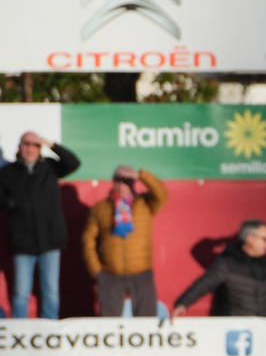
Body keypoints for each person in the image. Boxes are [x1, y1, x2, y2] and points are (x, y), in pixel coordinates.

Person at [0, 132, 80, 319]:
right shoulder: (8, 172)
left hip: (50, 241)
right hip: (22, 242)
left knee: (50, 292)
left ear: (40, 148)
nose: (30, 148)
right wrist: (12, 203)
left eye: (34, 145)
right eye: (26, 144)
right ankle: (20, 333)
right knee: (21, 293)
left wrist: (50, 143)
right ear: (19, 147)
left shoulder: (50, 168)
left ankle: (48, 333)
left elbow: (73, 162)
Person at [171, 220, 266, 318]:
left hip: (261, 331)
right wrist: (183, 303)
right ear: (250, 238)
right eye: (265, 239)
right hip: (232, 332)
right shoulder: (227, 262)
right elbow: (204, 284)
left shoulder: (265, 264)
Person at [81, 165, 168, 317]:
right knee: (110, 323)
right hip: (110, 274)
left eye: (126, 181)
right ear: (113, 182)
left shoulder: (144, 204)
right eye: (118, 180)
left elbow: (162, 194)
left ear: (133, 183)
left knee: (146, 322)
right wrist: (97, 270)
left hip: (141, 271)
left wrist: (141, 175)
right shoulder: (100, 208)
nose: (122, 185)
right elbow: (88, 240)